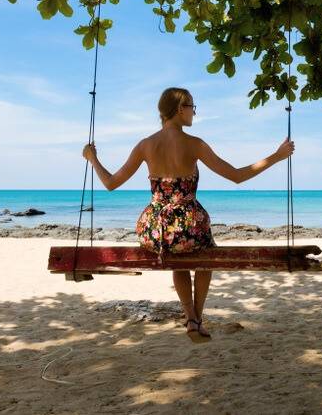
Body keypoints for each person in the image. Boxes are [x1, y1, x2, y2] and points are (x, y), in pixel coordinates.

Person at [82, 87, 294, 342]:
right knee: (205, 255)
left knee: (176, 256)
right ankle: (196, 319)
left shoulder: (145, 145)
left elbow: (111, 183)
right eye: (192, 106)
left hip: (156, 229)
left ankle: (190, 315)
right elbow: (237, 175)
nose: (194, 112)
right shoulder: (195, 144)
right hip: (189, 226)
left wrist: (93, 158)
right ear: (179, 109)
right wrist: (277, 156)